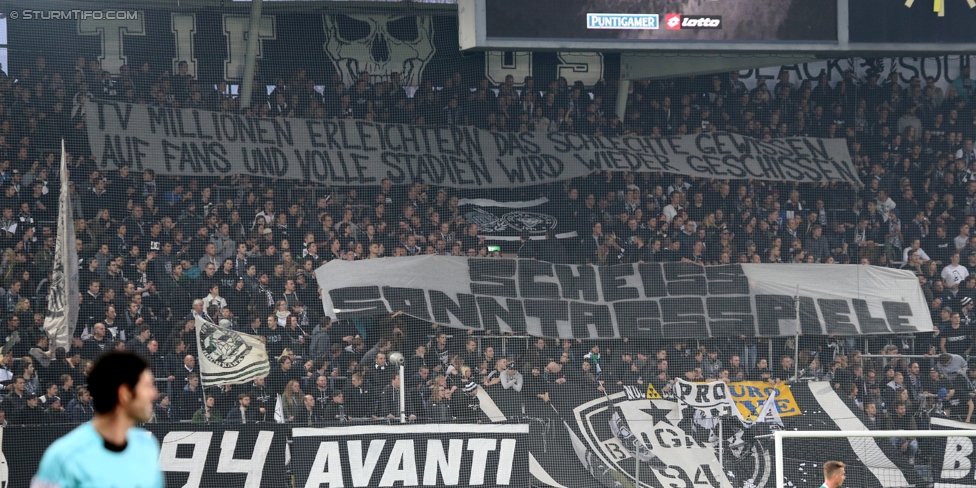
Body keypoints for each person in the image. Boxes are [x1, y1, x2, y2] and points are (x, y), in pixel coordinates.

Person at [31, 351, 163, 488]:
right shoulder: (63, 457)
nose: (154, 394)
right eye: (147, 386)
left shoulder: (147, 446)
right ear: (125, 393)